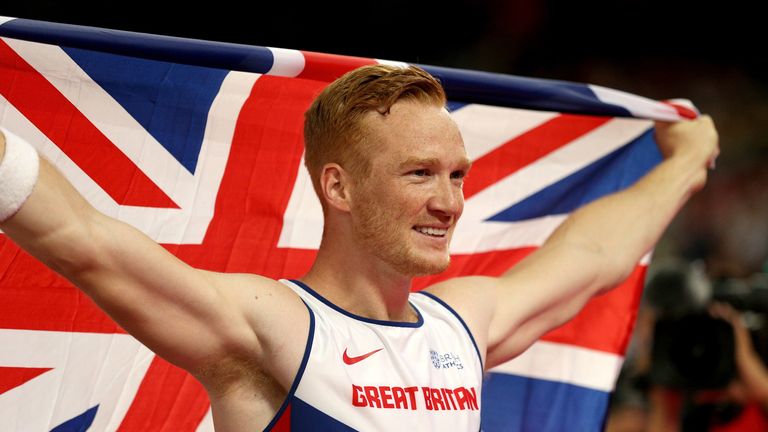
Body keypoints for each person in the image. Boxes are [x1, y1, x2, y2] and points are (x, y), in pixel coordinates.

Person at [0, 64, 719, 431]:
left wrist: (687, 163)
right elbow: (83, 241)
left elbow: (592, 256)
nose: (450, 201)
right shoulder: (273, 325)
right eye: (419, 175)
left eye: (457, 175)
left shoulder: (460, 326)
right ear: (338, 188)